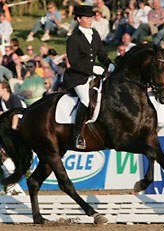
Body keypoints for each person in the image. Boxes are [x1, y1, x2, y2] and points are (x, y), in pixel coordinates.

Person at [62, 5, 115, 150]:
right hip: (77, 77)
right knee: (85, 99)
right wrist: (92, 68)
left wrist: (109, 64)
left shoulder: (95, 34)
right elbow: (74, 62)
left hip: (93, 74)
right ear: (79, 19)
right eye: (86, 18)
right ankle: (77, 135)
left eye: (91, 17)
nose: (90, 20)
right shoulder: (73, 38)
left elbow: (101, 53)